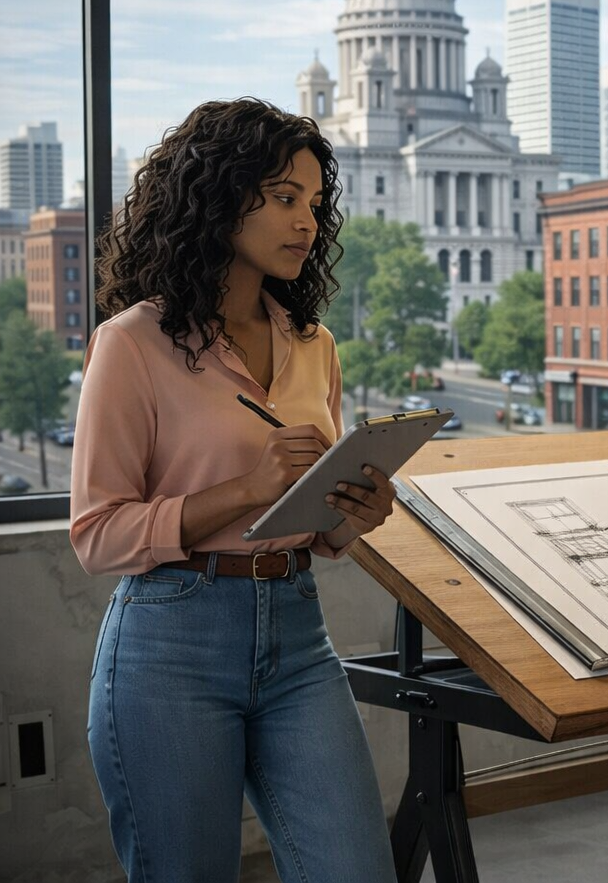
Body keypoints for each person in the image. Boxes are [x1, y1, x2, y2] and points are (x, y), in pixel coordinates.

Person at [71, 98, 396, 881]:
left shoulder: (314, 346)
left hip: (297, 634)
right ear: (217, 197)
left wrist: (355, 515)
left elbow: (314, 525)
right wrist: (249, 486)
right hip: (170, 642)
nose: (306, 222)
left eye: (314, 205)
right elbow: (97, 535)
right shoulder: (133, 344)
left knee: (357, 870)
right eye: (284, 198)